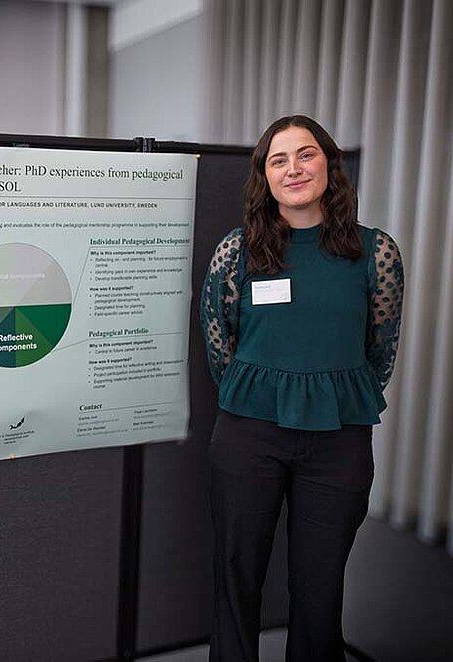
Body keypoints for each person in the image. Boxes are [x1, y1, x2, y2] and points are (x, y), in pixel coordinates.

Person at [199, 115, 403, 662]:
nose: (294, 169)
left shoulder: (375, 252)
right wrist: (264, 393)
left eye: (306, 154)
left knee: (320, 587)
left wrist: (330, 391)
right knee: (236, 576)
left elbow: (380, 347)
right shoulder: (237, 250)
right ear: (264, 177)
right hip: (249, 435)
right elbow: (219, 340)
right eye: (278, 159)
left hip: (337, 441)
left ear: (328, 164)